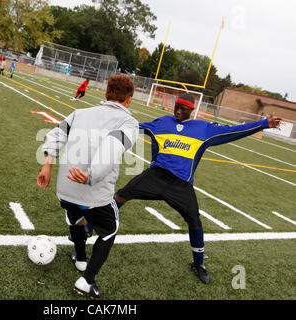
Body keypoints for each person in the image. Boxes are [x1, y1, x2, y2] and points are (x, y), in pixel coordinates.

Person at [114, 93, 281, 284]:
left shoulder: (203, 128)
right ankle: (89, 228)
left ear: (191, 110)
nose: (177, 111)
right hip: (155, 176)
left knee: (194, 221)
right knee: (120, 196)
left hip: (181, 185)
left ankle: (198, 264)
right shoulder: (162, 122)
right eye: (176, 106)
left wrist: (263, 124)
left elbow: (234, 131)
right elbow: (135, 127)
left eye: (182, 108)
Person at [37, 75, 139, 298]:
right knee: (108, 231)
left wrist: (47, 164)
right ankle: (87, 280)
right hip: (93, 191)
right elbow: (112, 148)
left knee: (74, 217)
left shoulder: (80, 113)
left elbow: (56, 134)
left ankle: (81, 259)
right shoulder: (128, 122)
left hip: (65, 188)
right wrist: (91, 175)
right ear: (129, 99)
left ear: (106, 94)